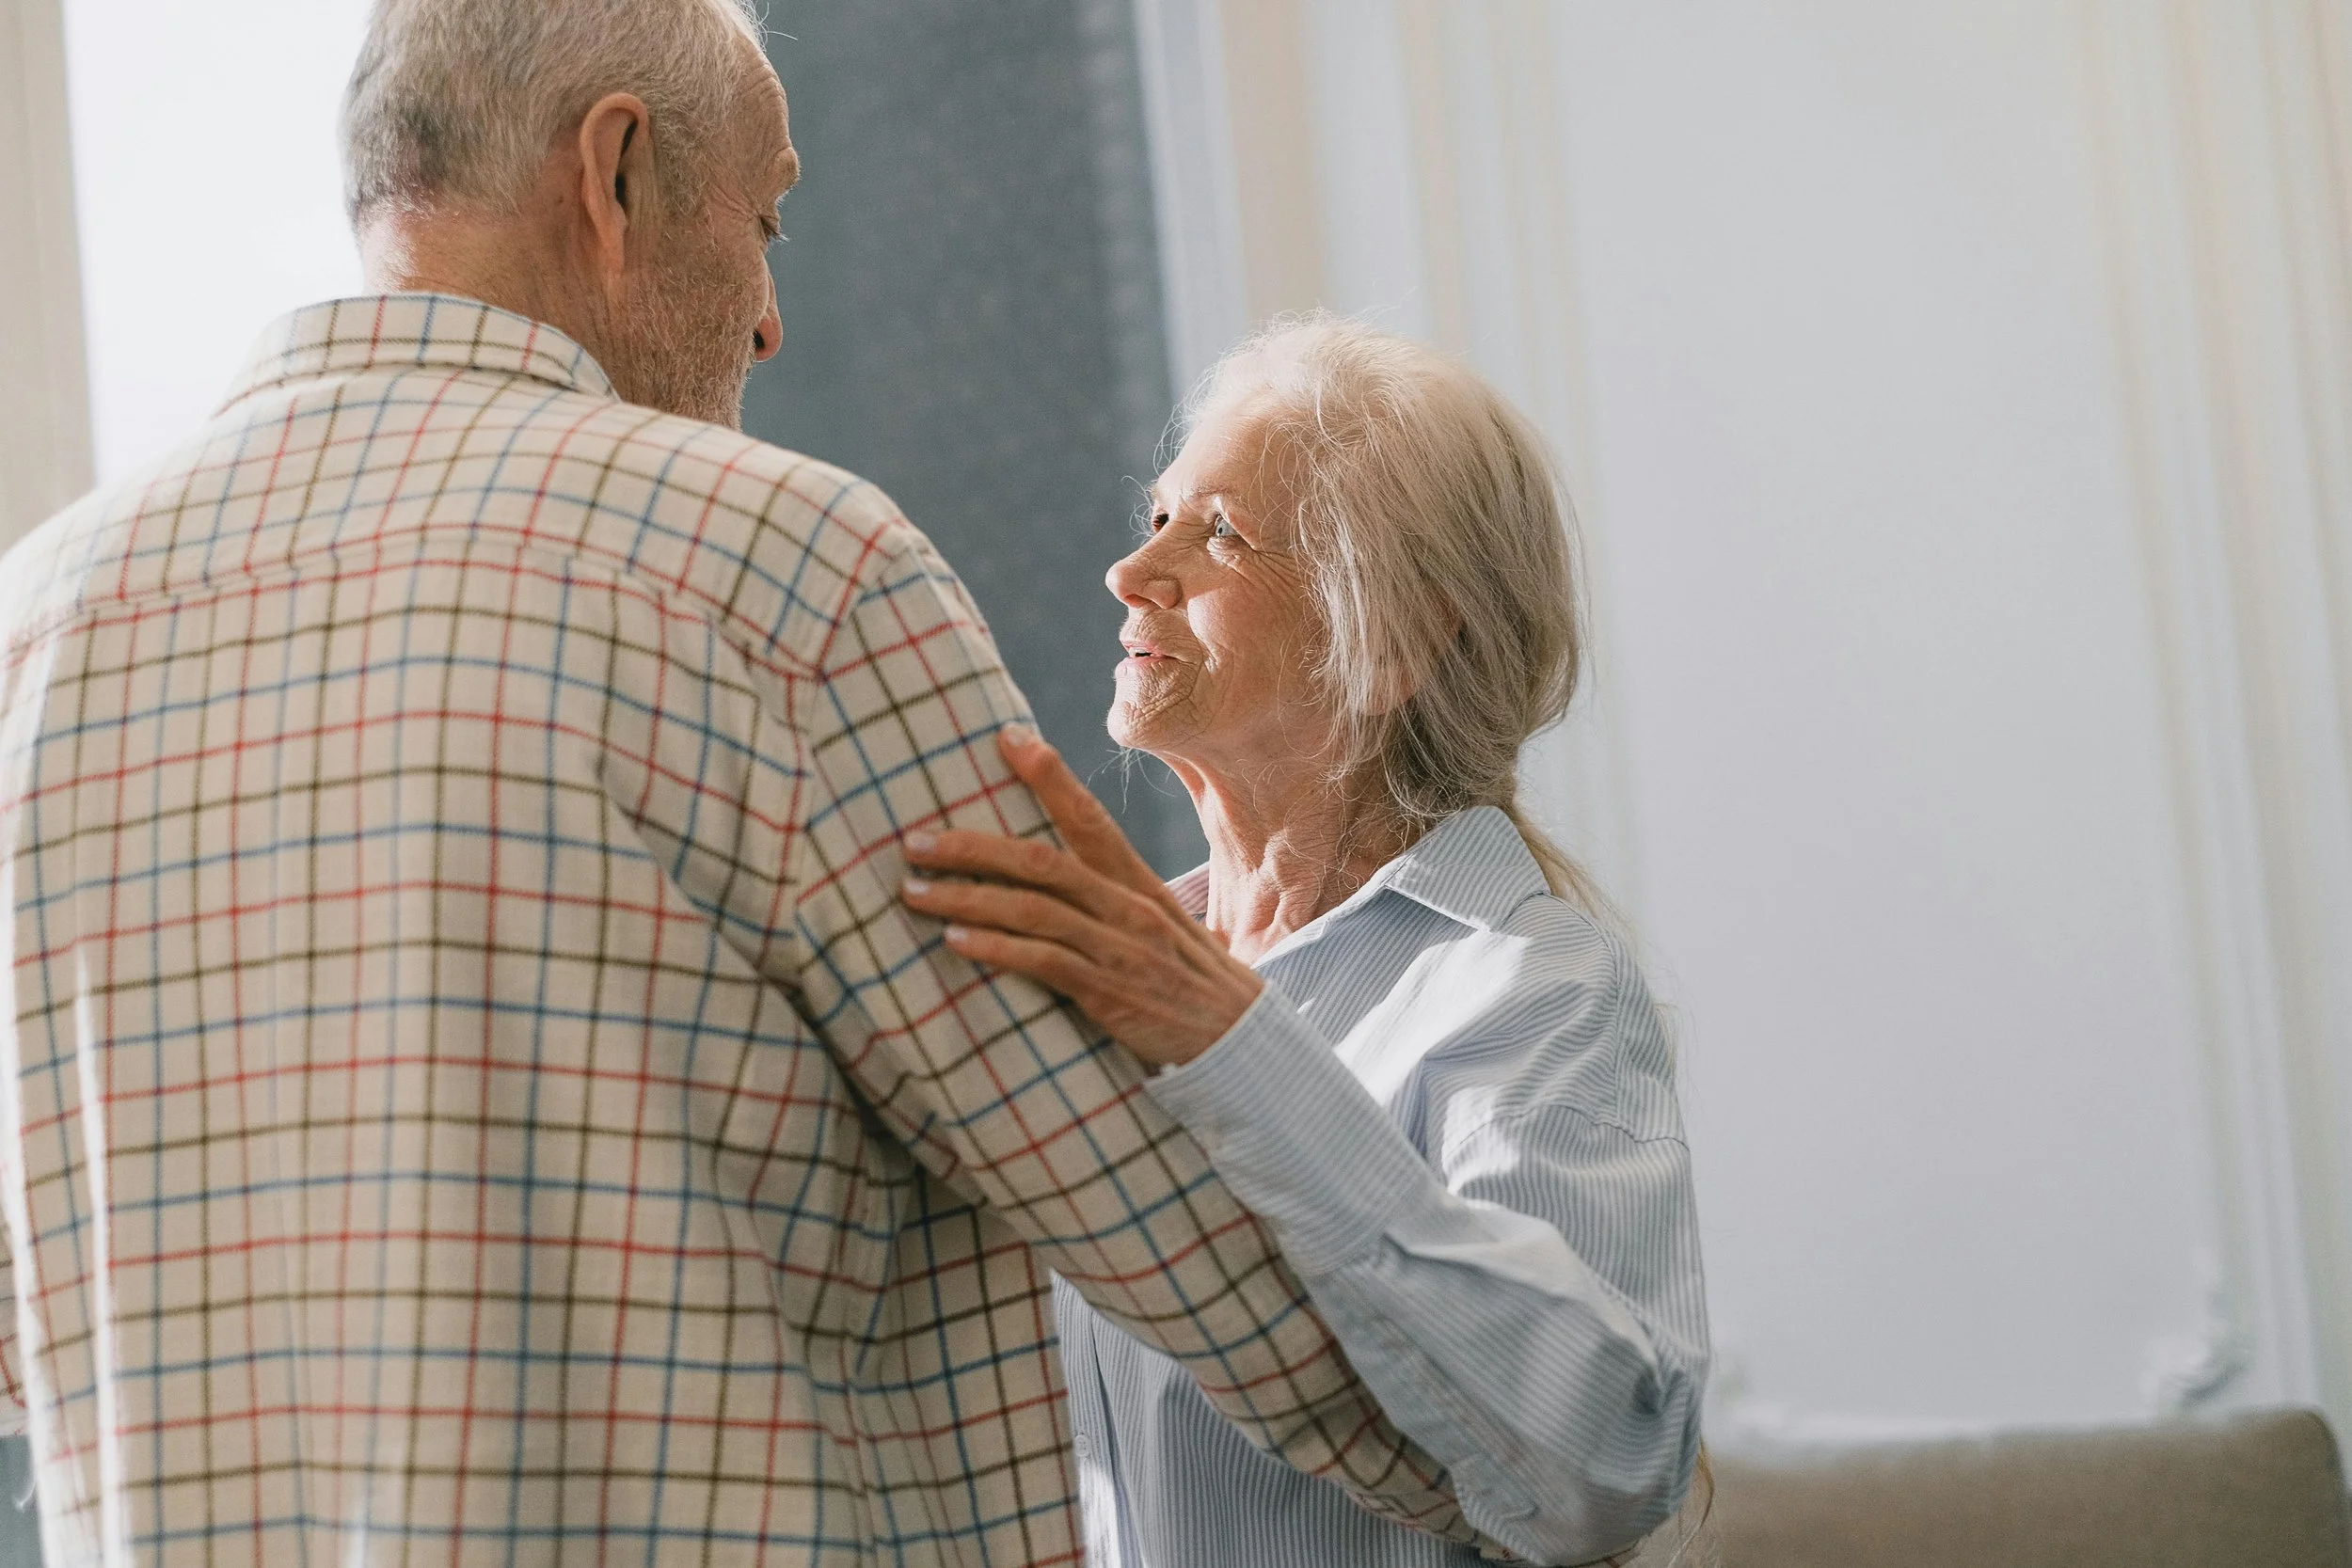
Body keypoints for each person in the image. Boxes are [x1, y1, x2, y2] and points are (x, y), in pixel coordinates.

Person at [0, 5, 1481, 1561]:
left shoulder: (34, 633)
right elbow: (1188, 1249)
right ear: (616, 171)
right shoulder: (790, 573)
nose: (771, 316)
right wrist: (1535, 1453)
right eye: (766, 217)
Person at [900, 317, 1717, 1566]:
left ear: (1389, 643)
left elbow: (1608, 1460)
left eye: (1214, 531)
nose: (1133, 568)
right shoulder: (1101, 973)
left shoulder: (1528, 984)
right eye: (1158, 510)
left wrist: (1232, 1044)